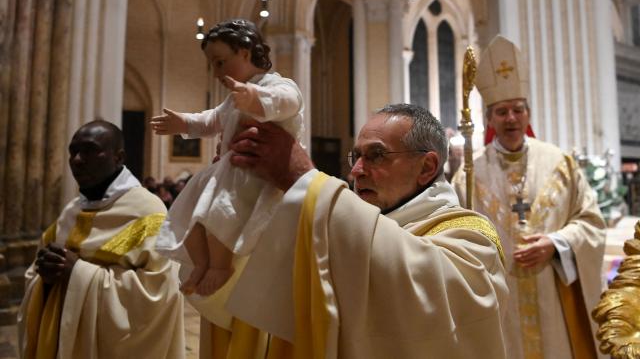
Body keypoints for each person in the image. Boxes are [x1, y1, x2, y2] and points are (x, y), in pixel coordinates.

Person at [195, 103, 508, 358]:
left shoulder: (469, 235)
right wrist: (240, 201)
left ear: (426, 167)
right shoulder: (334, 227)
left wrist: (304, 178)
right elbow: (256, 306)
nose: (356, 171)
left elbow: (426, 304)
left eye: (375, 155)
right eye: (356, 156)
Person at [452, 35, 606, 359]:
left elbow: (591, 221)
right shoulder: (468, 175)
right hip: (499, 303)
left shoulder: (560, 163)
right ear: (490, 119)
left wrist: (556, 243)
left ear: (528, 114)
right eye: (502, 111)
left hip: (552, 295)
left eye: (518, 110)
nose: (511, 118)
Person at [151, 19, 304, 297]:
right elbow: (212, 119)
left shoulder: (274, 84)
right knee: (193, 212)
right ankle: (202, 263)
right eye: (212, 65)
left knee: (219, 213)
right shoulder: (234, 98)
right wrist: (184, 123)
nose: (215, 73)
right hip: (228, 170)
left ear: (245, 53)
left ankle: (220, 266)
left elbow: (290, 101)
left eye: (220, 63)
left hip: (256, 174)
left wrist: (256, 99)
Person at [17, 120, 185, 358]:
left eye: (89, 150)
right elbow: (36, 274)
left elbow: (160, 294)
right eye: (73, 151)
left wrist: (78, 272)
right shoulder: (71, 211)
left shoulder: (148, 212)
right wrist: (43, 275)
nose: (77, 159)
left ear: (119, 157)